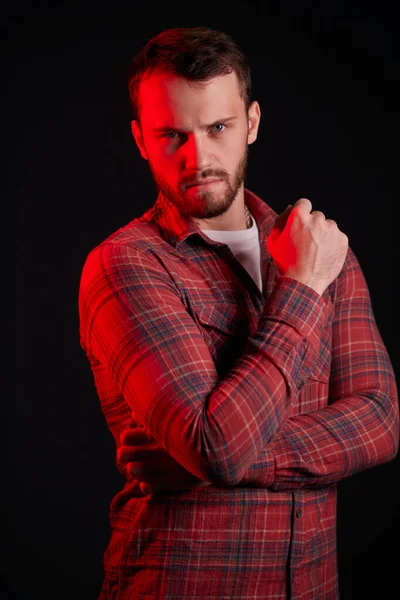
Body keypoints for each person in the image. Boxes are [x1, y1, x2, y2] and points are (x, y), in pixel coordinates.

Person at [78, 26, 399, 600]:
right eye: (172, 135)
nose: (198, 157)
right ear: (141, 141)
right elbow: (218, 447)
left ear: (251, 122)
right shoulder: (125, 266)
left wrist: (231, 459)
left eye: (218, 128)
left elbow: (379, 422)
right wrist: (301, 286)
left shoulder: (323, 249)